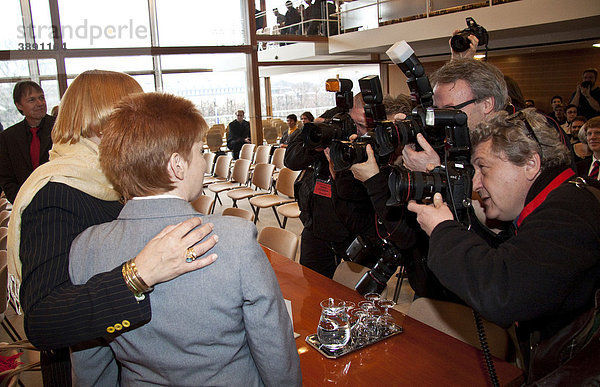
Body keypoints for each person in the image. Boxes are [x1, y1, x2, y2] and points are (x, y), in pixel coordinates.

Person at [69, 92, 301, 386]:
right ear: (178, 165)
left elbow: (91, 364)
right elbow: (274, 350)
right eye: (199, 153)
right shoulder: (233, 238)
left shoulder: (86, 248)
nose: (204, 164)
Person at [7, 70, 218, 385]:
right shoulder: (57, 193)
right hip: (84, 369)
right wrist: (136, 275)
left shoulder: (106, 181)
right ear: (101, 122)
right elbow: (44, 321)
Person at [407, 108, 600, 383]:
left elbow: (501, 292)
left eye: (483, 168)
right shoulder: (558, 200)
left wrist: (442, 231)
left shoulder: (571, 211)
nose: (476, 184)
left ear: (530, 164)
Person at [284, 93, 382, 278]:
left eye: (363, 125)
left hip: (357, 229)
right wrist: (312, 135)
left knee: (359, 297)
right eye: (356, 123)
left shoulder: (380, 136)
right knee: (313, 286)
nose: (358, 130)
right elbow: (292, 160)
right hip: (319, 223)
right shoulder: (334, 118)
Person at [0, 81, 55, 203]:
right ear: (19, 105)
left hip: (60, 200)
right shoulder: (8, 137)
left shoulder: (61, 128)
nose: (40, 103)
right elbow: (6, 178)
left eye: (41, 98)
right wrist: (22, 201)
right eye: (32, 100)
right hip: (25, 204)